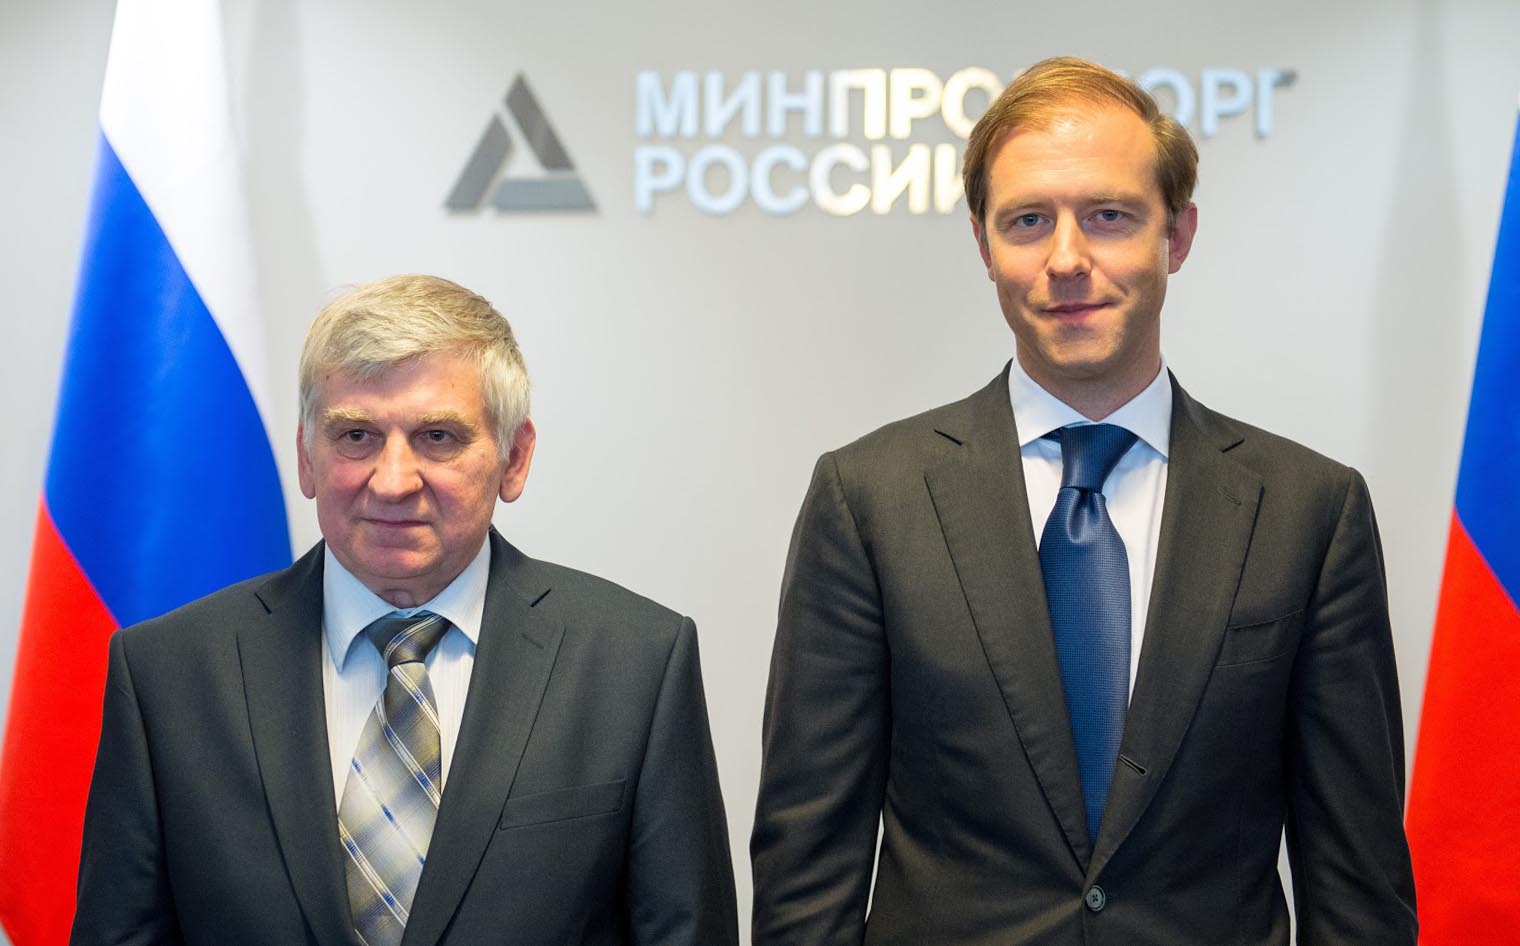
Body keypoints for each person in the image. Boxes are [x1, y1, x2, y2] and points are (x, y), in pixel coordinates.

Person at [750, 57, 1416, 945]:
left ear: (1177, 235)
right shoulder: (868, 501)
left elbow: (1358, 887)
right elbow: (806, 876)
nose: (1067, 260)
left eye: (1109, 216)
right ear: (984, 245)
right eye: (1028, 221)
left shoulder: (1309, 513)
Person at [72, 274, 738, 946]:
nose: (392, 481)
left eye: (438, 437)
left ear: (514, 458)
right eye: (356, 435)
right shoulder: (168, 674)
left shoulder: (636, 664)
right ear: (306, 457)